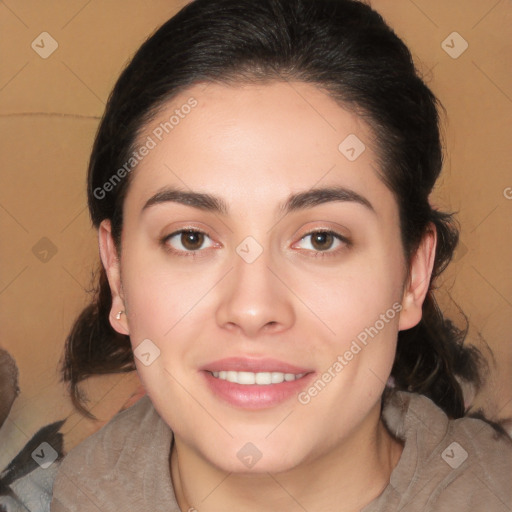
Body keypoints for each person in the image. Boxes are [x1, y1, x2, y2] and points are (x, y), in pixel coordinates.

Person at [49, 0, 512, 510]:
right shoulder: (82, 491)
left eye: (321, 239)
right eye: (191, 238)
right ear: (117, 273)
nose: (252, 308)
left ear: (412, 278)